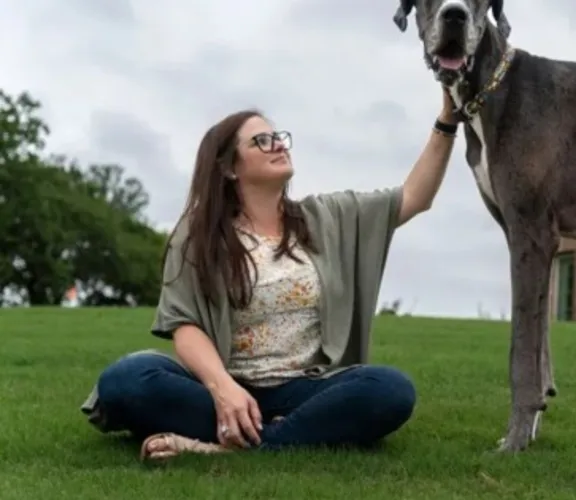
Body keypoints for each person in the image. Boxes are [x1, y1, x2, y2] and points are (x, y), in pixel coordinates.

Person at [80, 88, 459, 460]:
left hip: (304, 388)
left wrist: (447, 120)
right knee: (125, 379)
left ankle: (232, 447)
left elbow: (414, 197)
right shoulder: (198, 234)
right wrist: (223, 388)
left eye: (277, 137)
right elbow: (185, 325)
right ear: (229, 167)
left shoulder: (326, 217)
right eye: (261, 141)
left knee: (390, 389)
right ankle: (280, 432)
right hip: (222, 388)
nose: (278, 145)